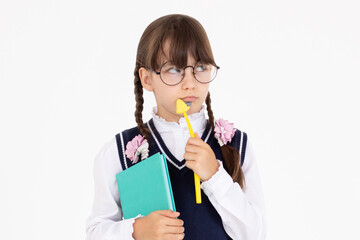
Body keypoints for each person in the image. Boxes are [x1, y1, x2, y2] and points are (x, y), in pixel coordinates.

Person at [86, 14, 266, 240]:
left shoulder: (236, 144)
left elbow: (255, 234)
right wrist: (136, 231)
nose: (190, 83)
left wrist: (214, 176)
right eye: (174, 69)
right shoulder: (119, 152)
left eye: (200, 67)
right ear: (147, 79)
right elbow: (95, 232)